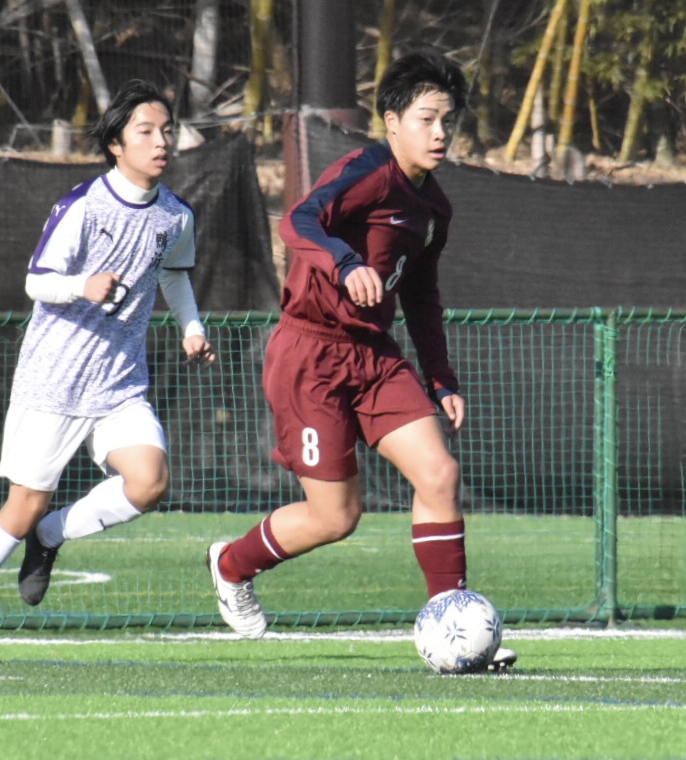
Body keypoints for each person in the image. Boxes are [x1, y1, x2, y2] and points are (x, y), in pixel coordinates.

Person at [206, 49, 513, 669]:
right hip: (309, 353)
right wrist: (345, 265)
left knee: (439, 476)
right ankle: (231, 563)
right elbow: (298, 219)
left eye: (448, 120)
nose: (440, 132)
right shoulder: (367, 170)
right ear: (392, 121)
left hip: (375, 356)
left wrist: (440, 378)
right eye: (427, 119)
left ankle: (452, 627)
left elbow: (422, 295)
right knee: (337, 516)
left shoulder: (435, 209)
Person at [0, 79, 216, 663]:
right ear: (116, 143)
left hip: (119, 383)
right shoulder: (84, 206)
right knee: (22, 506)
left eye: (167, 131)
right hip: (53, 381)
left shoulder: (174, 214)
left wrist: (191, 327)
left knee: (150, 481)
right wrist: (81, 286)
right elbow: (36, 281)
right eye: (146, 132)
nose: (161, 142)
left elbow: (175, 274)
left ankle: (51, 536)